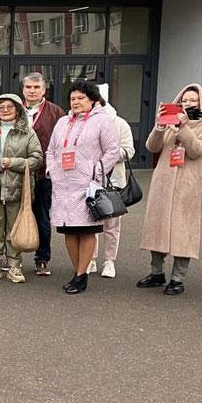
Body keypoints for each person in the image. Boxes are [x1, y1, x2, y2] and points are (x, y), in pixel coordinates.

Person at [137, 84, 202, 296]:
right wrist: (160, 126)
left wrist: (183, 128)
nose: (187, 104)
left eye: (193, 100)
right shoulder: (169, 123)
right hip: (163, 183)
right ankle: (156, 273)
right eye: (184, 100)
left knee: (184, 231)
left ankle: (177, 278)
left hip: (188, 186)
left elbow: (198, 150)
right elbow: (152, 147)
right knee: (157, 226)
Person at [46, 80, 119, 295]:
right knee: (68, 230)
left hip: (88, 186)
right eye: (72, 98)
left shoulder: (103, 121)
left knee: (86, 230)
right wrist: (52, 170)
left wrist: (96, 171)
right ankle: (78, 271)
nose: (75, 102)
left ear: (92, 100)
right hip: (63, 186)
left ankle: (81, 275)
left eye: (81, 98)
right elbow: (51, 150)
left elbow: (113, 151)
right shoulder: (62, 122)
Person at [0, 94, 43, 284]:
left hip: (17, 189)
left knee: (15, 229)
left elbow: (37, 159)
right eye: (1, 107)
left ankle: (15, 265)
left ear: (18, 109)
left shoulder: (27, 133)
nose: (5, 110)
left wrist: (11, 163)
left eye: (10, 106)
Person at [86, 85, 136, 279]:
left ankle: (109, 261)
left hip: (114, 182)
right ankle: (90, 258)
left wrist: (109, 153)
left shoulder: (120, 123)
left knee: (112, 224)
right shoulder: (83, 122)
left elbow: (129, 151)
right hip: (90, 181)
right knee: (90, 223)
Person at [21, 72, 64, 277]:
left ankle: (42, 258)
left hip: (43, 174)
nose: (32, 91)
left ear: (44, 90)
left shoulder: (56, 112)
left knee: (42, 218)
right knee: (12, 217)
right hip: (17, 172)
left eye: (36, 87)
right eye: (28, 87)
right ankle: (12, 258)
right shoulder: (13, 108)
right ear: (23, 89)